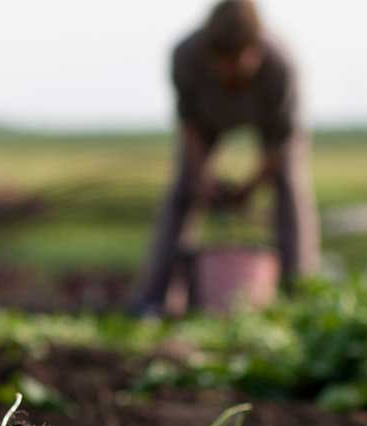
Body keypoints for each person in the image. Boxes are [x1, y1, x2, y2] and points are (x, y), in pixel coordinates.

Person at [131, 0, 320, 316]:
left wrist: (250, 187)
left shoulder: (280, 65)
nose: (229, 71)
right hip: (206, 120)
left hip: (270, 126)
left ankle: (299, 291)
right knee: (182, 191)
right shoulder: (185, 56)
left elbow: (281, 143)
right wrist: (201, 176)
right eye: (221, 62)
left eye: (238, 61)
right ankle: (153, 297)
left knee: (290, 187)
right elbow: (189, 125)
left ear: (256, 48)